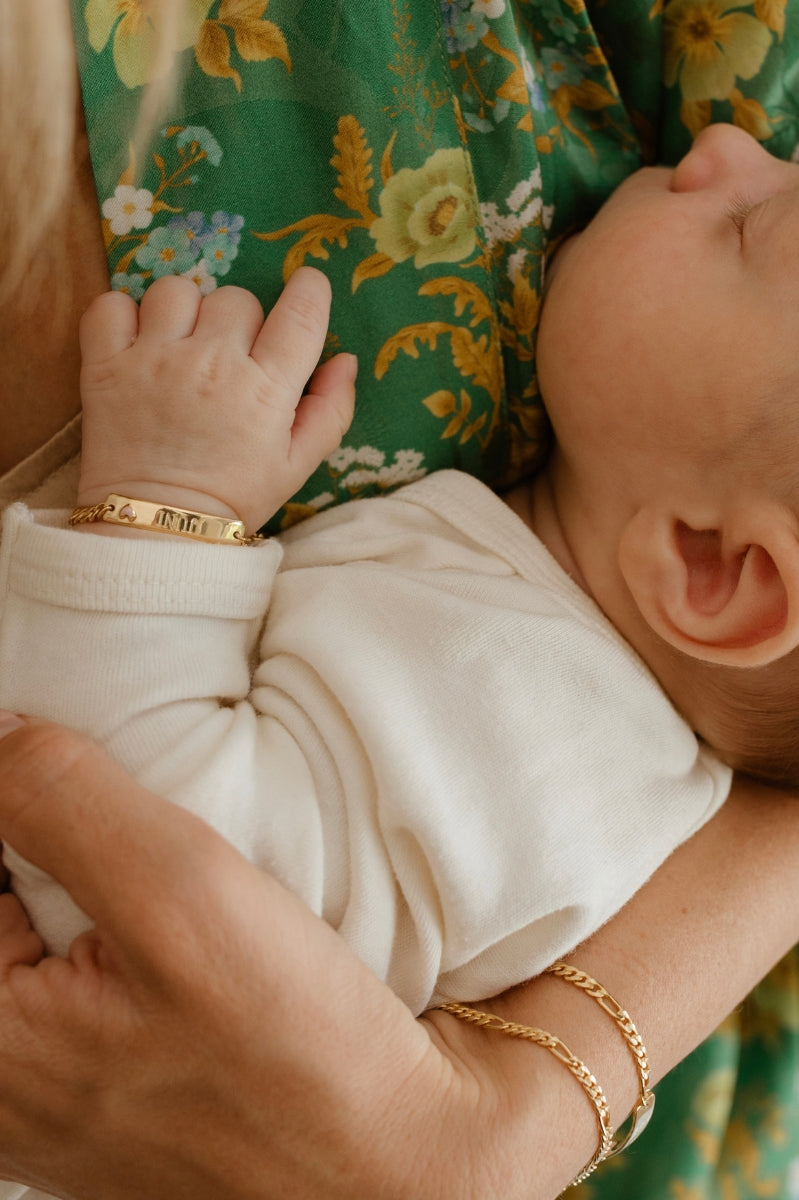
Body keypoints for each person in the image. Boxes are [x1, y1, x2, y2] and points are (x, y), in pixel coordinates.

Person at [3, 2, 799, 1197]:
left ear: (710, 569)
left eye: (751, 228)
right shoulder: (539, 653)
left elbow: (145, 890)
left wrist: (164, 507)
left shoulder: (513, 720)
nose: (722, 152)